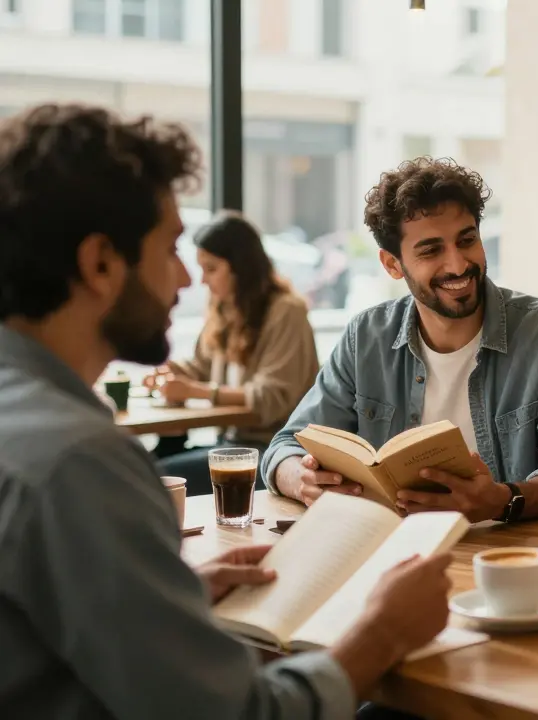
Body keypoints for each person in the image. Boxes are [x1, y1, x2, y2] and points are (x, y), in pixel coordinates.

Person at [0, 103, 454, 717]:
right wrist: (385, 630)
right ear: (100, 263)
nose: (186, 280)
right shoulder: (78, 462)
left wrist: (164, 600)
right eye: (170, 249)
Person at [263, 157, 538, 523]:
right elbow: (285, 446)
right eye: (431, 251)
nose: (458, 265)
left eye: (467, 240)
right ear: (392, 265)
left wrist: (504, 500)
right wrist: (300, 478)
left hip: (512, 554)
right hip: (392, 549)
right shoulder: (365, 338)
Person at [147, 211, 320, 495]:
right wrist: (173, 373)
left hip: (273, 451)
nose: (202, 280)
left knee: (159, 476)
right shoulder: (225, 307)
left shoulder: (287, 312)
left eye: (211, 269)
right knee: (151, 464)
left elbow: (270, 398)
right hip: (231, 444)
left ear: (241, 267)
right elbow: (202, 366)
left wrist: (196, 391)